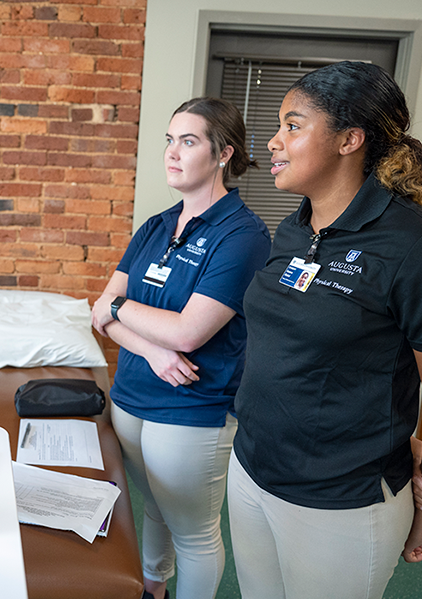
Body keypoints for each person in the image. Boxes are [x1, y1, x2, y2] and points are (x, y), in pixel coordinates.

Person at [228, 61, 422, 599]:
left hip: (341, 500)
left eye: (293, 126)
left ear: (350, 139)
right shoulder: (294, 227)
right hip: (252, 470)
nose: (274, 142)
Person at [92, 97, 271, 599]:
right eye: (169, 140)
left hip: (193, 407)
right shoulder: (155, 225)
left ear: (223, 154)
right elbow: (96, 312)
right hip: (131, 396)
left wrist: (122, 310)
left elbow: (188, 333)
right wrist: (150, 351)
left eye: (188, 142)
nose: (172, 152)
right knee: (154, 507)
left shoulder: (243, 235)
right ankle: (153, 590)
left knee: (194, 533)